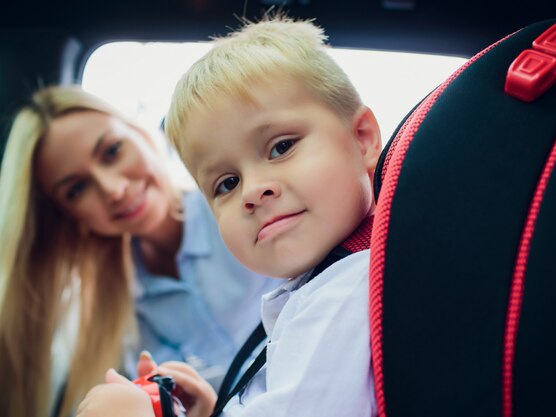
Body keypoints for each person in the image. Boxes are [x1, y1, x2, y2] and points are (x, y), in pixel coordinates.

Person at [76, 14, 382, 417]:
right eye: (227, 183)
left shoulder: (346, 289)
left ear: (361, 139)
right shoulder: (318, 287)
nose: (253, 191)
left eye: (281, 147)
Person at [0, 85, 279, 417]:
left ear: (142, 134)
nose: (114, 189)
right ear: (69, 216)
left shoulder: (246, 206)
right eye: (77, 188)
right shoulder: (117, 309)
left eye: (113, 151)